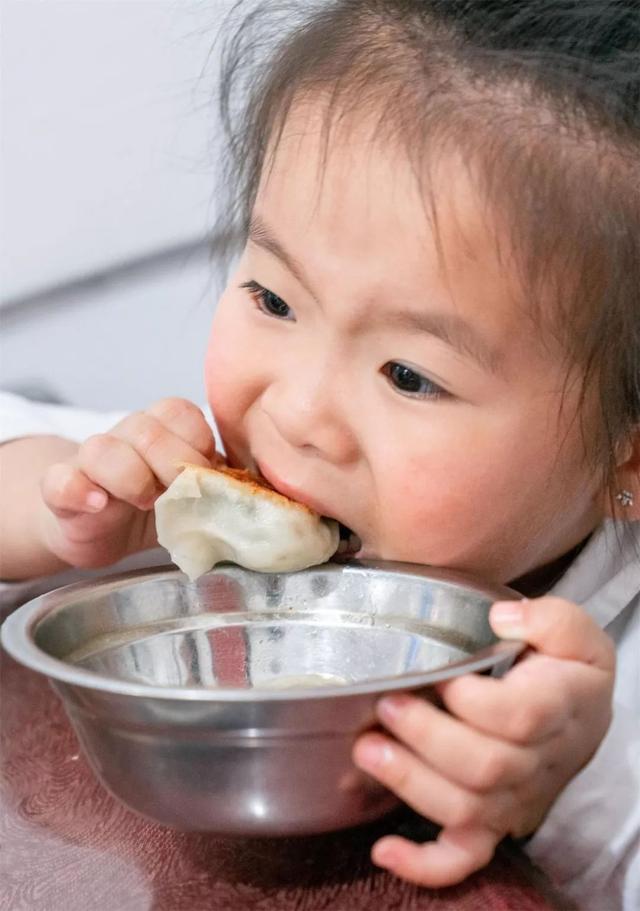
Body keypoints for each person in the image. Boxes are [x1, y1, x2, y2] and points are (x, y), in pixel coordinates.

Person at [1, 1, 638, 908]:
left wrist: (560, 786)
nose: (296, 414)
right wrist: (55, 508)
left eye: (410, 375)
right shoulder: (220, 481)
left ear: (626, 462)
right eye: (274, 299)